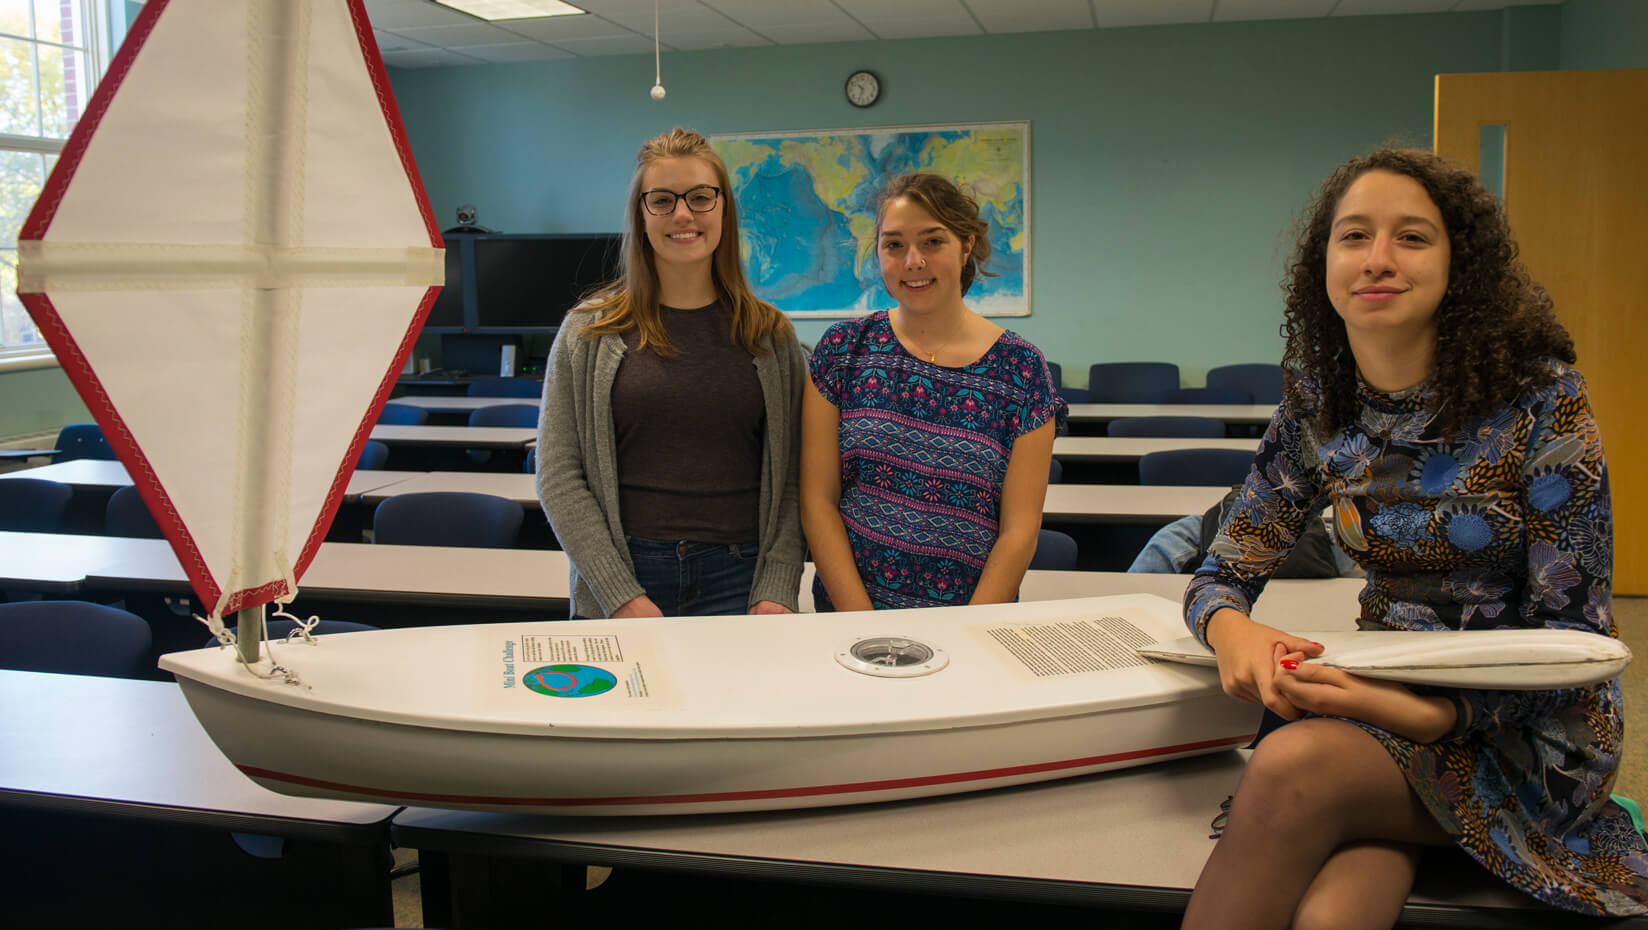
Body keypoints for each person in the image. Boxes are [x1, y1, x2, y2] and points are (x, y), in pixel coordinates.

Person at [1181, 148, 1645, 927]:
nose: (1378, 260)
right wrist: (1233, 633)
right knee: (1332, 913)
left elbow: (1579, 644)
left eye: (1413, 238)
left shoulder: (1541, 399)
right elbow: (1219, 572)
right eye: (1354, 236)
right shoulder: (1317, 404)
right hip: (1380, 706)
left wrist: (1433, 717)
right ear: (1322, 262)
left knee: (1292, 766)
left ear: (1459, 264)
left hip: (1528, 735)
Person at [535, 128, 805, 619]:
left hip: (742, 583)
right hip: (625, 574)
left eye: (701, 197)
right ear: (641, 214)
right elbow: (558, 477)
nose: (683, 214)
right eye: (661, 200)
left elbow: (792, 479)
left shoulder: (772, 337)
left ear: (724, 208)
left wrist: (778, 585)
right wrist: (619, 594)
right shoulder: (587, 333)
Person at [801, 173, 1066, 611]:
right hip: (848, 622)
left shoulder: (1022, 370)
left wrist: (965, 634)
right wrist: (859, 623)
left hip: (969, 627)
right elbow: (817, 501)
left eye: (932, 242)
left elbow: (1019, 531)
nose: (913, 261)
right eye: (894, 245)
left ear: (965, 246)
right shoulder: (842, 351)